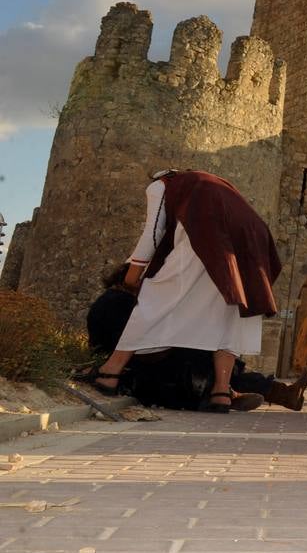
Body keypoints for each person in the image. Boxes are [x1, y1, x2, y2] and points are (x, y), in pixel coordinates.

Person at [80, 169, 282, 414]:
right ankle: (221, 392)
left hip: (208, 230)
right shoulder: (212, 185)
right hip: (253, 237)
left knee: (154, 299)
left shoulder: (161, 185)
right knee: (227, 316)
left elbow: (152, 234)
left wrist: (134, 277)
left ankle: (109, 373)